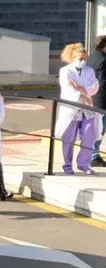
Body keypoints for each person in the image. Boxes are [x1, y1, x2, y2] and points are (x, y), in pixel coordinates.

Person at [55, 43, 101, 175]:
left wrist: (80, 88)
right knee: (68, 139)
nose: (83, 61)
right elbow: (67, 87)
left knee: (89, 136)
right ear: (73, 57)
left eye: (84, 59)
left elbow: (94, 86)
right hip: (71, 108)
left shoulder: (89, 71)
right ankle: (67, 165)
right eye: (80, 58)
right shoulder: (65, 71)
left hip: (87, 110)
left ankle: (83, 164)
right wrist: (82, 94)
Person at [89, 35, 106, 167]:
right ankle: (94, 156)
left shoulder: (92, 57)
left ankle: (92, 154)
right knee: (100, 129)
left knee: (96, 128)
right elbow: (104, 82)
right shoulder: (103, 60)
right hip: (102, 100)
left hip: (93, 98)